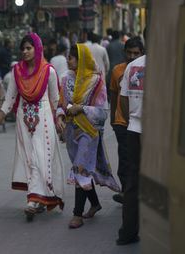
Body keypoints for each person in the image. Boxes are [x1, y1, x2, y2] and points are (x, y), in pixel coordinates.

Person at [0, 33, 65, 218]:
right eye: (23, 48)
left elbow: (56, 101)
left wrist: (61, 121)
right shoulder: (17, 72)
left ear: (37, 49)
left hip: (45, 119)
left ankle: (34, 200)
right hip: (23, 121)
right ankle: (36, 199)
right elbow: (9, 101)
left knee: (41, 157)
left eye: (29, 48)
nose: (25, 51)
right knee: (30, 158)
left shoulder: (49, 71)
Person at [56, 44, 120, 229]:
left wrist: (82, 108)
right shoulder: (65, 79)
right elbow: (61, 103)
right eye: (68, 57)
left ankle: (77, 215)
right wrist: (60, 115)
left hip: (89, 131)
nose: (67, 61)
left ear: (81, 59)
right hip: (71, 131)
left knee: (80, 168)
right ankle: (95, 204)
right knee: (82, 169)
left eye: (71, 58)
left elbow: (102, 111)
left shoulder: (96, 81)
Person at [116, 50, 146, 245]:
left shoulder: (133, 66)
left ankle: (127, 233)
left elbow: (123, 100)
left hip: (135, 129)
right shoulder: (170, 62)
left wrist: (132, 120)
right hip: (160, 132)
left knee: (132, 183)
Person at [110, 38, 144, 204]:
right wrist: (113, 118)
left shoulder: (143, 68)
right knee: (124, 158)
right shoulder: (117, 70)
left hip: (137, 123)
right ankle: (126, 191)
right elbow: (114, 94)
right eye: (129, 52)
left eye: (135, 53)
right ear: (124, 53)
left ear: (141, 53)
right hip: (122, 123)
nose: (132, 56)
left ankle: (135, 191)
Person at [106, 31, 126, 99]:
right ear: (119, 36)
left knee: (112, 88)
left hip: (111, 69)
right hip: (122, 69)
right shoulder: (123, 45)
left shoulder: (108, 46)